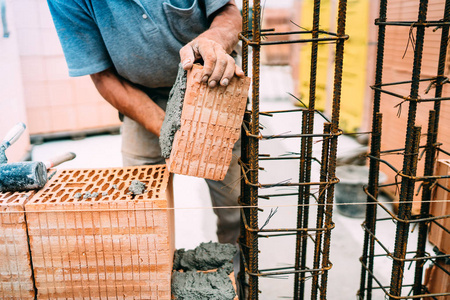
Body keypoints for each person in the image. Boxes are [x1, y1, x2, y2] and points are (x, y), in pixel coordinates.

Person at [47, 0, 244, 244]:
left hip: (212, 84)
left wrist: (214, 41)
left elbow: (229, 13)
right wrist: (170, 130)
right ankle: (157, 274)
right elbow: (102, 75)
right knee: (143, 212)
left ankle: (235, 274)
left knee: (235, 207)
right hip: (138, 96)